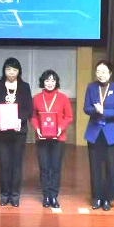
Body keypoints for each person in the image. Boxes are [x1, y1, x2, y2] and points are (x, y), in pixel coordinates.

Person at [0, 57, 32, 207]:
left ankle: (15, 195)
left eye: (14, 69)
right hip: (1, 130)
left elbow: (28, 108)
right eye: (8, 69)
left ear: (19, 71)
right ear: (4, 70)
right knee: (4, 164)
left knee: (17, 164)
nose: (11, 72)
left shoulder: (24, 86)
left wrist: (20, 119)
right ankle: (4, 194)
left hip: (19, 131)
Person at [31, 70, 73, 209]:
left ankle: (53, 196)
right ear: (42, 82)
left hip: (58, 138)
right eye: (47, 80)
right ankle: (46, 196)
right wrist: (37, 128)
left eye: (53, 81)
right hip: (41, 137)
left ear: (56, 82)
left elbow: (69, 117)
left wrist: (60, 128)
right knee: (44, 168)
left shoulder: (63, 98)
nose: (50, 83)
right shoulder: (36, 98)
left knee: (55, 168)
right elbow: (33, 116)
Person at [83, 60, 114, 211]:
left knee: (110, 167)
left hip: (111, 134)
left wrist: (104, 111)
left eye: (103, 72)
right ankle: (97, 197)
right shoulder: (91, 87)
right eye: (98, 72)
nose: (101, 75)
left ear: (110, 73)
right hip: (94, 132)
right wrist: (95, 110)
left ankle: (107, 199)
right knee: (95, 167)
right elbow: (86, 108)